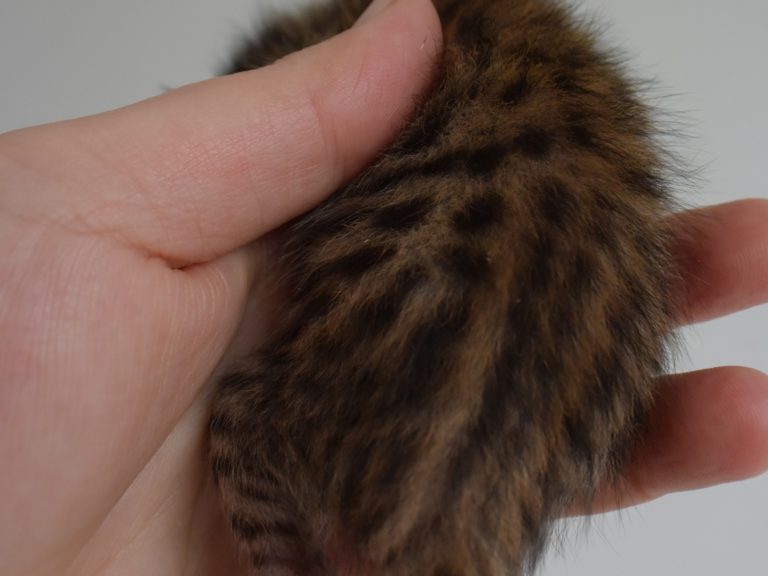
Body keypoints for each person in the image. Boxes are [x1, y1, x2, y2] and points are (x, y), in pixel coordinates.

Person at [1, 0, 766, 573]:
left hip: (417, 427)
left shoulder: (383, 51)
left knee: (241, 413)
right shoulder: (488, 61)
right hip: (481, 472)